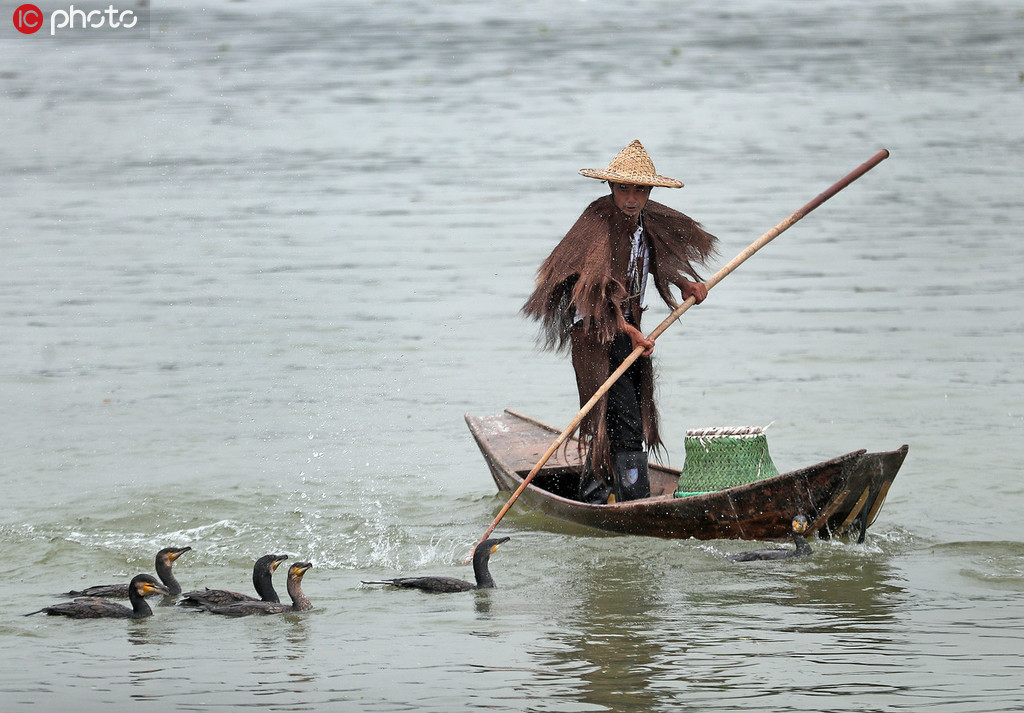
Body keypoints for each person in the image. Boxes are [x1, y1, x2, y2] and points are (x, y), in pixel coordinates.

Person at [522, 140, 718, 503]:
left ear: (648, 190)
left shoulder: (647, 220)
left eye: (640, 189)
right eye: (624, 189)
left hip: (629, 331)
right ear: (611, 187)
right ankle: (632, 500)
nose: (631, 198)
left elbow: (655, 256)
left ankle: (598, 495)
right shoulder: (597, 222)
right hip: (594, 335)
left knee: (626, 415)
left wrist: (684, 283)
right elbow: (589, 287)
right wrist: (624, 328)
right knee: (618, 419)